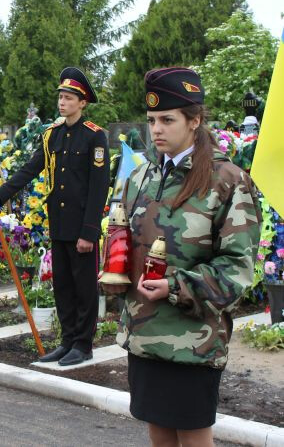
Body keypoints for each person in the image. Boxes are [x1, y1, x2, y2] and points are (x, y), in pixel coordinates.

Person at [102, 67, 261, 446]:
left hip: (193, 339)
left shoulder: (226, 180)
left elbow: (236, 269)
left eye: (168, 120)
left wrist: (175, 286)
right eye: (152, 120)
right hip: (144, 333)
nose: (156, 129)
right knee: (158, 429)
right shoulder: (139, 178)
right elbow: (121, 245)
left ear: (195, 121)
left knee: (191, 436)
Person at [0, 67, 110, 366]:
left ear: (82, 102)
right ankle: (67, 341)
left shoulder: (95, 137)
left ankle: (83, 344)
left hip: (82, 226)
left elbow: (98, 187)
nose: (62, 103)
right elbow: (30, 168)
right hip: (59, 224)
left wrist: (89, 231)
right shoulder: (52, 135)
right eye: (61, 97)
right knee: (62, 285)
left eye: (68, 98)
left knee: (84, 287)